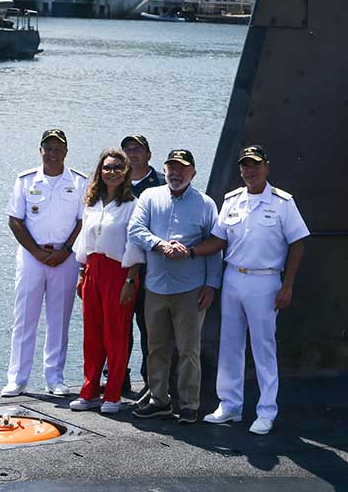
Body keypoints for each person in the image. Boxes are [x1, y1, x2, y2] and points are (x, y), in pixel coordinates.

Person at [190, 145, 308, 435]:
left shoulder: (282, 203)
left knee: (263, 347)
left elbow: (298, 243)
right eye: (245, 166)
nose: (249, 170)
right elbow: (218, 241)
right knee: (229, 344)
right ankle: (229, 405)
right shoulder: (232, 201)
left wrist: (287, 286)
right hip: (233, 277)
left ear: (266, 167)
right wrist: (189, 252)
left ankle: (266, 411)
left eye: (255, 165)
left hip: (265, 280)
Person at [127, 149, 221, 423]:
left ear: (193, 172)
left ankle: (190, 403)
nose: (176, 173)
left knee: (188, 349)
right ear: (164, 169)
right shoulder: (149, 197)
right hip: (156, 286)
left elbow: (215, 248)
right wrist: (159, 244)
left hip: (190, 289)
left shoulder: (205, 204)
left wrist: (211, 285)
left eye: (182, 168)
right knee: (157, 347)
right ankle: (160, 399)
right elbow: (135, 229)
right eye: (171, 168)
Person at [1, 129, 87, 397]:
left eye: (57, 148)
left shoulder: (79, 181)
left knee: (59, 320)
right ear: (40, 150)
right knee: (25, 318)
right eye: (48, 148)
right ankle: (17, 378)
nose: (52, 153)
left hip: (65, 257)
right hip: (31, 257)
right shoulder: (25, 180)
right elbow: (15, 220)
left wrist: (67, 250)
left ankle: (55, 377)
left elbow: (83, 221)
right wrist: (37, 253)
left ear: (66, 151)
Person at [69, 149, 145, 413]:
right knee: (92, 335)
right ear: (100, 171)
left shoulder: (132, 206)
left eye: (116, 168)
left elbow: (134, 245)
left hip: (118, 272)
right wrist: (81, 274)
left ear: (125, 172)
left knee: (116, 334)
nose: (111, 172)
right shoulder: (91, 203)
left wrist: (130, 280)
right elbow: (84, 243)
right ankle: (89, 390)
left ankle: (112, 394)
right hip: (92, 269)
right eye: (107, 167)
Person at [118, 134, 165, 399]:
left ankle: (151, 381)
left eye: (137, 149)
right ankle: (118, 376)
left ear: (148, 153)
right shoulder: (114, 181)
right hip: (120, 268)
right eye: (127, 149)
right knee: (119, 328)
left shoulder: (160, 184)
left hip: (150, 270)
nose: (132, 154)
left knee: (150, 328)